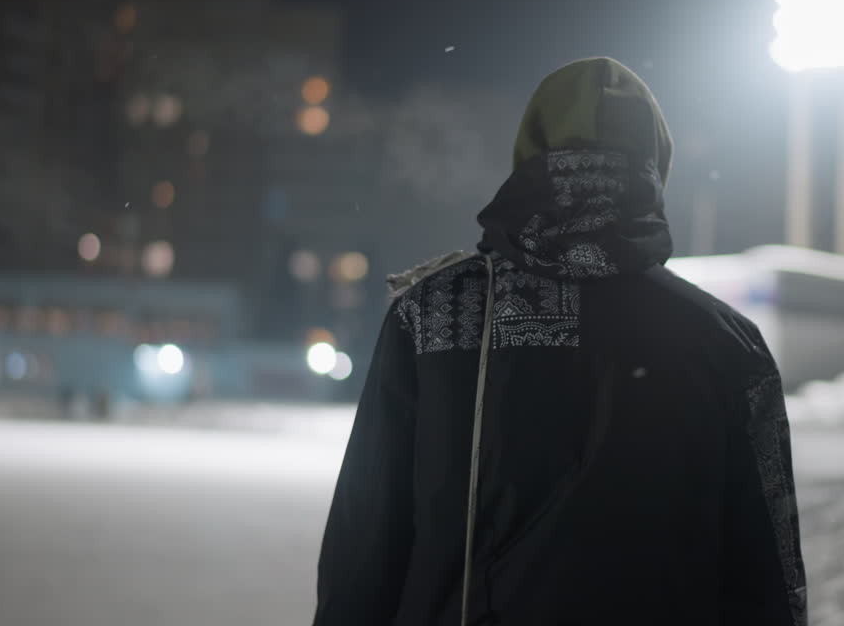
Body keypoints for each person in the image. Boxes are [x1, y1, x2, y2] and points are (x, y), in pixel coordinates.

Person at [313, 57, 807, 625]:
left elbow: (366, 539)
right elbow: (768, 571)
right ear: (654, 164)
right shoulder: (724, 340)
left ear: (530, 152)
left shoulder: (437, 315)